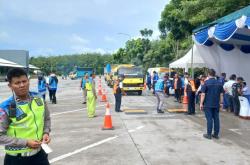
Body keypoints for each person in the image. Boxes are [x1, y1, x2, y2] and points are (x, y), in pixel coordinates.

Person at [0, 68, 51, 165]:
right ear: (10, 86)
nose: (22, 85)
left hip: (40, 155)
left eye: (24, 81)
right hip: (17, 159)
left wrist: (46, 133)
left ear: (29, 81)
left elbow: (46, 119)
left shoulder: (39, 99)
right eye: (17, 83)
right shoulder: (6, 107)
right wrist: (25, 142)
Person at [200, 69, 224, 139]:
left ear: (208, 74)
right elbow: (221, 94)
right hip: (216, 104)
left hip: (208, 104)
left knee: (209, 119)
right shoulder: (219, 83)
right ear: (214, 74)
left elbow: (203, 94)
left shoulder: (206, 83)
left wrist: (201, 103)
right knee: (216, 118)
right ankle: (216, 134)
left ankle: (209, 134)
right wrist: (221, 103)